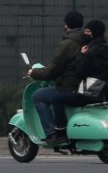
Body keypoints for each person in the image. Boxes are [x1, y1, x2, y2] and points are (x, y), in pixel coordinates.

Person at [48, 19, 108, 136]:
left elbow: (80, 72)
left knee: (56, 99)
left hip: (90, 93)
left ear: (94, 32)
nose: (85, 34)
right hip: (107, 92)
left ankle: (60, 130)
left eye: (87, 31)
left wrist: (81, 55)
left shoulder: (91, 52)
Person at [28, 10, 87, 144]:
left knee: (38, 96)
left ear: (67, 25)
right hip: (87, 87)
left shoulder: (67, 44)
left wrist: (34, 73)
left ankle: (51, 133)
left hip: (71, 87)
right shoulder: (88, 41)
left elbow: (53, 71)